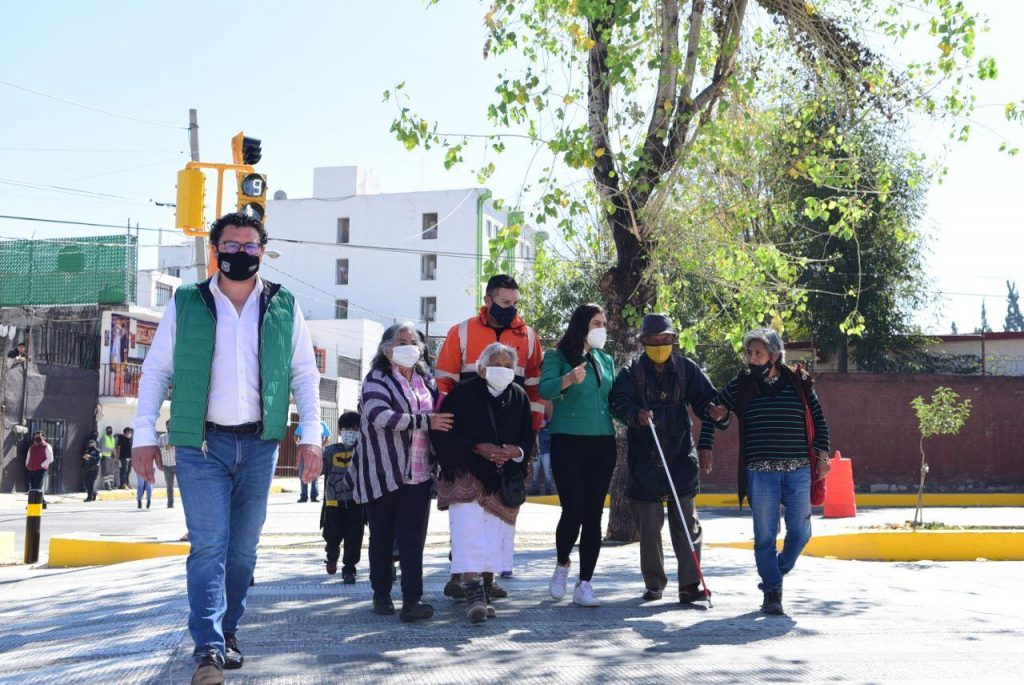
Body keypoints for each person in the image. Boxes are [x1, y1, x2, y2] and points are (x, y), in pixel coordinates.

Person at [133, 212, 323, 685]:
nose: (241, 253)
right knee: (209, 547)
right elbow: (156, 371)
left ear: (262, 251)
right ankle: (208, 649)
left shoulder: (284, 305)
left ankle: (229, 630)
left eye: (250, 246)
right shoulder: (186, 302)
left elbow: (304, 375)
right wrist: (142, 435)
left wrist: (311, 437)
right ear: (215, 250)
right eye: (231, 245)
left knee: (242, 552)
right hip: (200, 444)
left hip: (259, 445)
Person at [703, 328, 831, 616]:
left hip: (798, 471)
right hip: (760, 474)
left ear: (774, 355)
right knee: (764, 536)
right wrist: (718, 421)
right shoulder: (742, 384)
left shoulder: (799, 382)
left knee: (800, 532)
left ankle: (777, 571)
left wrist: (822, 456)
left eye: (758, 353)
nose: (752, 358)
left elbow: (819, 421)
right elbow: (716, 411)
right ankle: (772, 591)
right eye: (749, 353)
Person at [434, 273, 544, 598]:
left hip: (510, 431)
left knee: (498, 509)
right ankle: (462, 575)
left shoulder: (529, 337)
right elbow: (444, 384)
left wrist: (527, 442)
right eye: (504, 303)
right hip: (469, 434)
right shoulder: (462, 332)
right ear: (488, 300)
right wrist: (446, 437)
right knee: (467, 509)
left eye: (515, 304)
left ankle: (488, 578)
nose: (511, 309)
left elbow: (534, 389)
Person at [609, 313, 722, 605]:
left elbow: (708, 402)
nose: (661, 344)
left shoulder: (687, 370)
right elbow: (617, 402)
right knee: (648, 526)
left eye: (666, 339)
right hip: (645, 458)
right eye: (654, 340)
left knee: (687, 524)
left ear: (673, 340)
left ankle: (690, 584)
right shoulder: (631, 372)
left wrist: (714, 416)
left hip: (681, 457)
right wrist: (635, 414)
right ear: (644, 342)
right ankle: (654, 583)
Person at [345, 322, 452, 623]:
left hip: (418, 473)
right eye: (402, 341)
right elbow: (380, 416)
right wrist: (426, 421)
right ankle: (381, 593)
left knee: (412, 539)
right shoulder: (376, 379)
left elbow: (440, 419)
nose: (409, 346)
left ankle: (412, 600)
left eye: (414, 341)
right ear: (386, 349)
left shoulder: (427, 381)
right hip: (382, 471)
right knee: (381, 536)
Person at [431, 342, 534, 623]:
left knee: (495, 536)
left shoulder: (519, 397)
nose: (502, 370)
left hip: (503, 478)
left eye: (507, 365)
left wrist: (516, 452)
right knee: (468, 530)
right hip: (467, 472)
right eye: (496, 363)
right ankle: (473, 592)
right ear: (481, 367)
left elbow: (528, 436)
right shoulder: (461, 395)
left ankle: (486, 589)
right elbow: (444, 435)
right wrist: (477, 447)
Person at [537, 304, 617, 606]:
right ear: (581, 325)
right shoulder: (557, 357)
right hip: (568, 441)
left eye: (604, 324)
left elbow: (615, 397)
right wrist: (568, 379)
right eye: (596, 323)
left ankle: (585, 583)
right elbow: (544, 390)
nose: (602, 329)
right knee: (573, 510)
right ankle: (562, 564)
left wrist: (636, 413)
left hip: (602, 442)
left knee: (594, 514)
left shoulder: (605, 359)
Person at [320, 411, 364, 583]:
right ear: (339, 431)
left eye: (355, 429)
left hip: (357, 501)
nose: (350, 433)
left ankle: (350, 569)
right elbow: (320, 469)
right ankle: (332, 555)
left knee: (354, 536)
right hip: (333, 501)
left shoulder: (364, 451)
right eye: (346, 429)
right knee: (332, 533)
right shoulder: (330, 451)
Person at [296, 419, 331, 502]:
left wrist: (323, 444)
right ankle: (304, 496)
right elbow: (296, 434)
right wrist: (298, 443)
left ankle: (314, 496)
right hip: (305, 451)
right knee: (303, 473)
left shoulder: (322, 424)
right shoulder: (304, 423)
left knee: (315, 473)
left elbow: (328, 435)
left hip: (316, 452)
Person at [530, 403, 555, 495]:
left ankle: (549, 489)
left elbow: (552, 439)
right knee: (535, 473)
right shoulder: (532, 426)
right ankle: (535, 490)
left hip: (545, 452)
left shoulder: (549, 426)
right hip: (535, 453)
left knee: (547, 471)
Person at [25, 431, 53, 509]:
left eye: (39, 436)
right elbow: (28, 457)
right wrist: (27, 465)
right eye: (35, 436)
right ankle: (43, 502)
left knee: (35, 487)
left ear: (43, 437)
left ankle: (32, 504)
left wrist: (41, 465)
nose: (37, 438)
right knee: (35, 487)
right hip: (31, 469)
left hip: (41, 469)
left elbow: (50, 458)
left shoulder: (47, 446)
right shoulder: (32, 447)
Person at [158, 422, 177, 508]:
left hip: (178, 464)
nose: (170, 426)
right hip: (167, 465)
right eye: (169, 424)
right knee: (169, 486)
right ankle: (170, 503)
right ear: (166, 426)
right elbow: (158, 450)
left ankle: (187, 504)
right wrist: (167, 447)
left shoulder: (178, 436)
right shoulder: (162, 437)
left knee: (183, 485)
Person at [99, 426, 117, 490]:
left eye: (111, 430)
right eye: (109, 430)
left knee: (111, 472)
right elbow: (102, 448)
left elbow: (113, 447)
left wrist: (115, 453)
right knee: (106, 471)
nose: (110, 431)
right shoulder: (103, 438)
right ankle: (107, 485)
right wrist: (111, 450)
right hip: (105, 457)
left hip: (112, 457)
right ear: (106, 430)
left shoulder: (113, 438)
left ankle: (111, 485)